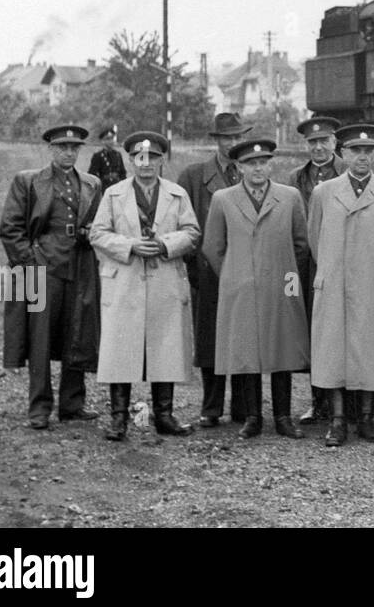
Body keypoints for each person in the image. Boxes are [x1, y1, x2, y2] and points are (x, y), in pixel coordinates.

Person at [89, 131, 200, 441]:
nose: (146, 163)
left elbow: (192, 232)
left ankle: (164, 415)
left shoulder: (177, 194)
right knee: (121, 349)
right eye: (140, 157)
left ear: (162, 161)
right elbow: (97, 234)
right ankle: (119, 418)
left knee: (165, 345)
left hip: (164, 278)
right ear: (130, 161)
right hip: (125, 281)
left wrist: (166, 244)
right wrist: (130, 245)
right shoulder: (113, 195)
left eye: (153, 157)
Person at [203, 138, 311, 439]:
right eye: (251, 163)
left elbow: (301, 245)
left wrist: (287, 276)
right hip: (241, 287)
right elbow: (213, 246)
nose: (258, 168)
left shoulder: (289, 197)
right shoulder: (223, 199)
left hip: (283, 285)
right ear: (239, 167)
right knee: (246, 351)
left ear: (271, 164)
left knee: (283, 349)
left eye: (263, 162)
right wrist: (234, 275)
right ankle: (252, 417)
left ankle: (283, 417)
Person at [0, 124, 102, 430]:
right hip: (43, 269)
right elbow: (10, 229)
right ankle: (40, 408)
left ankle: (72, 404)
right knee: (40, 339)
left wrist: (90, 232)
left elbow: (99, 222)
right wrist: (29, 261)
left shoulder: (91, 184)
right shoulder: (29, 181)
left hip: (80, 266)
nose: (68, 152)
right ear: (51, 149)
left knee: (77, 332)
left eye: (74, 148)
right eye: (62, 147)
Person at [309, 124, 374, 446]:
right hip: (334, 283)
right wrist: (331, 269)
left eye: (369, 151)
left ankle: (366, 419)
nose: (362, 157)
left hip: (373, 283)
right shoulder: (323, 192)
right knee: (333, 351)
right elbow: (314, 238)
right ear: (343, 153)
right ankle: (337, 421)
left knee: (371, 350)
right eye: (355, 151)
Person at [177, 111, 253, 427]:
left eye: (237, 137)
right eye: (227, 138)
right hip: (207, 271)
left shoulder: (251, 172)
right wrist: (194, 265)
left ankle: (243, 407)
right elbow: (185, 224)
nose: (233, 143)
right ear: (217, 141)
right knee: (210, 340)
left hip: (245, 270)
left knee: (244, 337)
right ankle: (211, 408)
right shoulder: (194, 177)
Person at [289, 115, 345, 425]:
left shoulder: (349, 171)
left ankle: (345, 401)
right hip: (305, 265)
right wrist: (290, 281)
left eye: (324, 140)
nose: (318, 147)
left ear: (335, 142)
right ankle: (318, 400)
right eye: (313, 142)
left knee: (340, 326)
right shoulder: (297, 178)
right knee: (311, 326)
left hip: (339, 261)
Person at [87, 126, 128, 190]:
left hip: (117, 186)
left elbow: (123, 173)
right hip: (104, 187)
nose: (110, 141)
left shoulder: (118, 155)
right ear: (102, 141)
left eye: (112, 138)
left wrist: (124, 186)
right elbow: (92, 174)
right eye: (107, 139)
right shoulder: (98, 156)